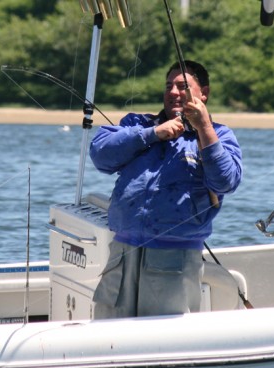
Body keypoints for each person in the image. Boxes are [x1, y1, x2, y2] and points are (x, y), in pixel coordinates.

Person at [89, 60, 242, 319]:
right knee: (109, 336)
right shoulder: (137, 124)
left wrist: (204, 128)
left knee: (161, 341)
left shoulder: (219, 135)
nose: (173, 92)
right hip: (122, 254)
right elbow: (100, 155)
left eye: (183, 87)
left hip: (175, 259)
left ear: (203, 93)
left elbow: (226, 182)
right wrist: (152, 133)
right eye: (168, 85)